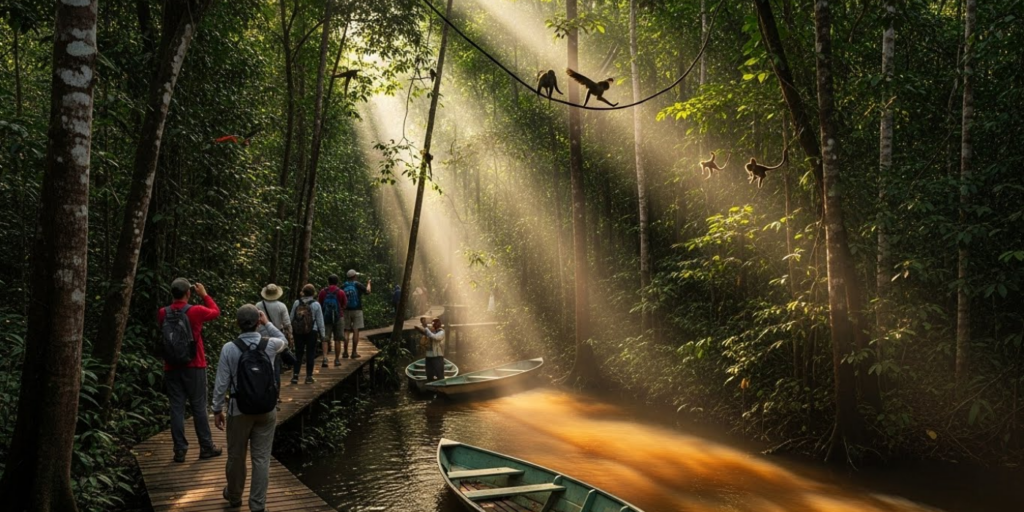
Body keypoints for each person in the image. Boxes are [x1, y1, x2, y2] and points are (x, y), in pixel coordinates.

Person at [213, 305, 287, 512]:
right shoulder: (270, 345)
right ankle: (257, 505)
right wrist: (268, 323)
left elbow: (221, 382)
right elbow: (286, 341)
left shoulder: (229, 348)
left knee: (236, 456)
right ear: (257, 322)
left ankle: (235, 497)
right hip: (266, 410)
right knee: (261, 458)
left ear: (237, 323)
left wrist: (217, 409)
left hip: (239, 411)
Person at [157, 277, 222, 463]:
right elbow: (216, 312)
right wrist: (205, 295)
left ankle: (179, 450)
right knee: (199, 407)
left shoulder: (163, 312)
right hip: (195, 365)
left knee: (176, 408)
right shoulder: (196, 311)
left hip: (171, 366)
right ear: (188, 293)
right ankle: (206, 447)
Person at [257, 283, 295, 394]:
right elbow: (287, 323)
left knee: (261, 365)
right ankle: (276, 394)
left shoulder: (258, 305)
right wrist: (290, 337)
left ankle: (263, 392)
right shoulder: (281, 306)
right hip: (276, 337)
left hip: (261, 339)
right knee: (276, 366)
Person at [290, 284, 325, 384]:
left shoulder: (297, 302)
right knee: (310, 353)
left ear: (303, 292)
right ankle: (309, 377)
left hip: (298, 332)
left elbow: (291, 317)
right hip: (312, 331)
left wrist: (290, 331)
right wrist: (323, 335)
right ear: (313, 293)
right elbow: (320, 321)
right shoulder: (316, 304)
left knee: (298, 353)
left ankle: (295, 376)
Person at [318, 274, 348, 367]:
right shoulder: (341, 292)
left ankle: (325, 359)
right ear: (337, 282)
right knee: (337, 339)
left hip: (326, 317)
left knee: (325, 339)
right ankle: (337, 360)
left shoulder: (323, 292)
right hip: (339, 317)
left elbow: (320, 304)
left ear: (328, 281)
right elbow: (344, 305)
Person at [342, 269, 372, 358]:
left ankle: (345, 352)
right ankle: (354, 352)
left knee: (346, 330)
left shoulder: (343, 285)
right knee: (355, 330)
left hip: (346, 310)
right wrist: (369, 283)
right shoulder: (357, 284)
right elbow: (368, 291)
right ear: (354, 276)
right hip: (357, 310)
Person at [415, 317, 446, 381]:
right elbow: (425, 331)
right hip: (428, 357)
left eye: (435, 323)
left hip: (437, 357)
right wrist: (422, 325)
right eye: (433, 323)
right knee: (429, 376)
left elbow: (435, 337)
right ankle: (430, 386)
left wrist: (426, 327)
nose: (433, 324)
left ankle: (441, 388)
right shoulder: (431, 331)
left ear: (439, 324)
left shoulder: (441, 332)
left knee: (440, 376)